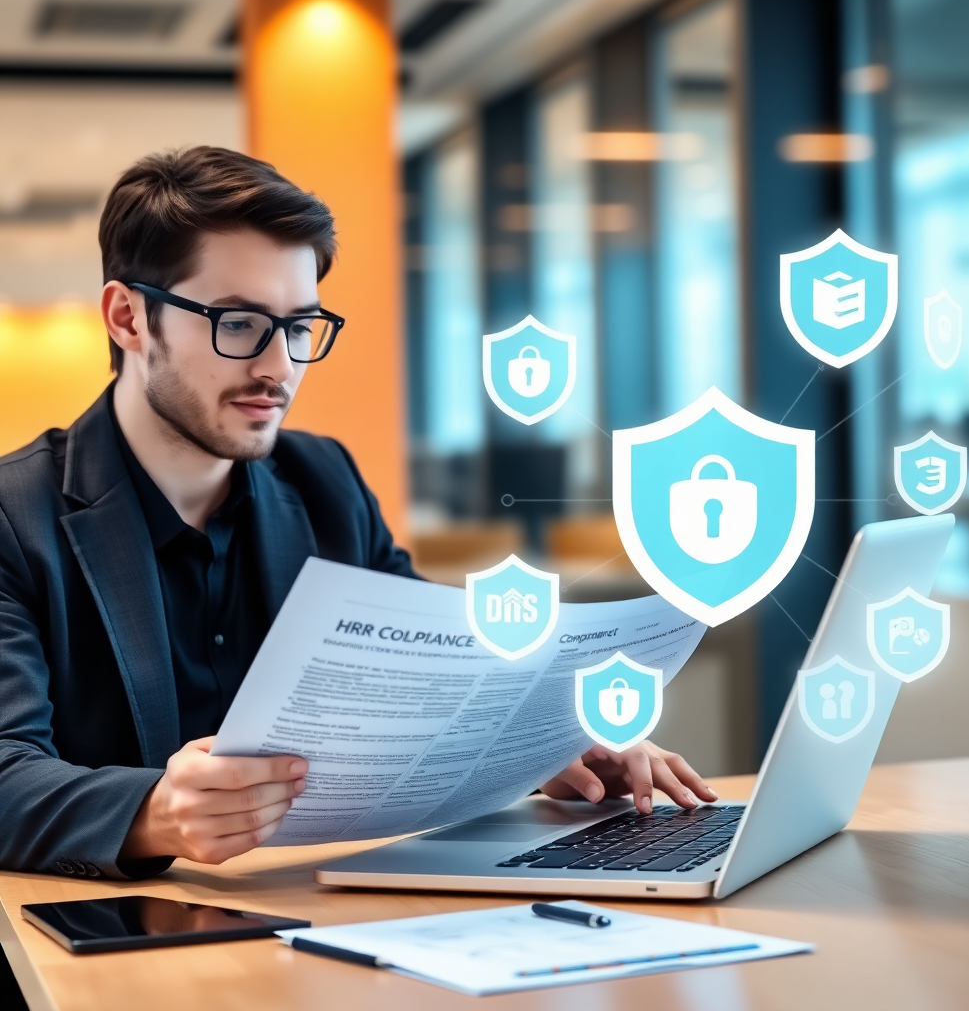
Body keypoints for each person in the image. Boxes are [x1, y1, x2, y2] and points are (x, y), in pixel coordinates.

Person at [0, 146, 716, 881]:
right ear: (128, 317)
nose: (279, 367)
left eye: (299, 327)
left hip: (326, 903)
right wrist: (153, 813)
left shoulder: (325, 481)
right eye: (239, 323)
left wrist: (548, 734)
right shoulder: (13, 518)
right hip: (112, 934)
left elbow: (441, 668)